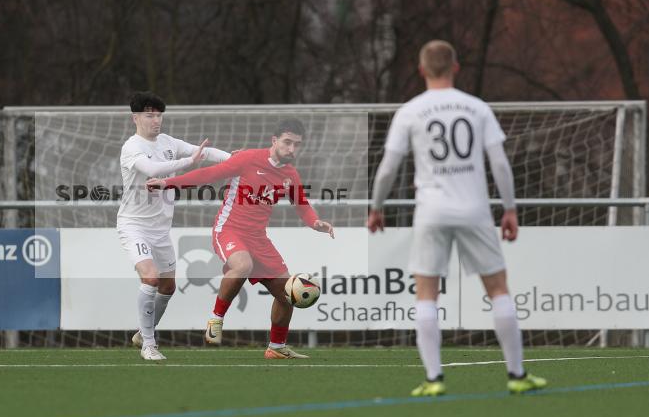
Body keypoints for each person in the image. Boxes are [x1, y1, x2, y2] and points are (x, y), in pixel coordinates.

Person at [367, 40, 546, 395]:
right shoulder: (476, 108)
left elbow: (388, 168)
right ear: (456, 67)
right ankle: (516, 375)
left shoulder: (411, 111)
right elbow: (499, 163)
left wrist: (376, 206)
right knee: (497, 289)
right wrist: (509, 208)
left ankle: (434, 380)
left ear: (421, 70)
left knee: (426, 294)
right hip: (475, 210)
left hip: (431, 211)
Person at [148, 119, 334, 359]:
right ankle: (216, 319)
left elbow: (302, 206)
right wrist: (167, 183)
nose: (292, 149)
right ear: (274, 140)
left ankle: (276, 347)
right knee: (243, 265)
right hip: (229, 230)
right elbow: (207, 174)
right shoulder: (248, 159)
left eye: (297, 145)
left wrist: (315, 222)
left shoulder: (290, 174)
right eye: (287, 142)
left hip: (259, 239)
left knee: (288, 292)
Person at [118, 92, 230, 361]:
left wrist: (232, 160)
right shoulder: (132, 147)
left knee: (167, 288)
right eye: (149, 115)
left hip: (161, 229)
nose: (155, 120)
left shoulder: (168, 142)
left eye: (158, 115)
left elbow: (201, 152)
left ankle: (141, 333)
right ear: (136, 118)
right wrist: (188, 163)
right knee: (151, 278)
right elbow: (153, 170)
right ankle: (148, 344)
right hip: (134, 225)